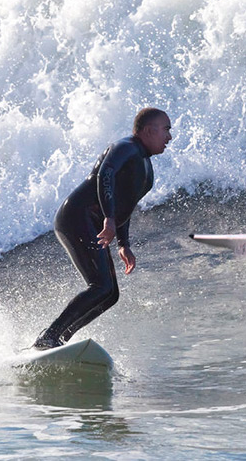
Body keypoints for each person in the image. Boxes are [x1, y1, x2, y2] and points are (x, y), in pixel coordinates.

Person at [33, 108, 172, 350]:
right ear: (149, 130)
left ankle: (58, 340)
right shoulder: (126, 147)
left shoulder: (146, 167)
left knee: (110, 294)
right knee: (101, 286)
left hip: (93, 222)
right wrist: (108, 218)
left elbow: (125, 205)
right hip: (76, 217)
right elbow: (105, 174)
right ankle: (49, 337)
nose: (169, 137)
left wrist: (124, 244)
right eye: (166, 130)